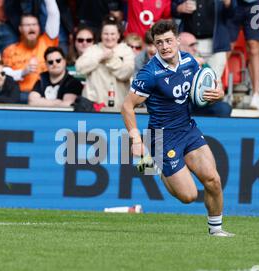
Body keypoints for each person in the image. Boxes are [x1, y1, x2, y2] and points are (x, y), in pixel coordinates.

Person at [121, 19, 234, 237]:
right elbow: (127, 106)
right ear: (154, 45)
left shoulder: (190, 61)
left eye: (168, 41)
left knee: (213, 180)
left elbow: (208, 83)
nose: (164, 46)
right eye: (159, 42)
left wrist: (218, 93)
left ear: (178, 40)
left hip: (188, 129)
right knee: (189, 196)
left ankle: (216, 230)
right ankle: (156, 164)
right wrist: (135, 140)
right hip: (163, 137)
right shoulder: (149, 74)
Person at [75, 15, 135, 111]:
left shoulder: (126, 50)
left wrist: (110, 60)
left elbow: (126, 73)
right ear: (101, 35)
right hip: (93, 106)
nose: (109, 37)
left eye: (112, 34)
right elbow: (79, 68)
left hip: (119, 107)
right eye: (106, 34)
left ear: (118, 35)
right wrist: (100, 57)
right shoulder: (93, 49)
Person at [2, 5, 60, 102]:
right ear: (20, 29)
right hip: (20, 95)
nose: (31, 27)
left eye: (34, 24)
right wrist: (23, 72)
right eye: (27, 25)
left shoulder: (48, 42)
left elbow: (54, 14)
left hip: (46, 95)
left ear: (39, 27)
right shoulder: (10, 50)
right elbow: (3, 74)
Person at [172, 0, 236, 82]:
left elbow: (233, 14)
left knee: (214, 82)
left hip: (217, 44)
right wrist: (179, 8)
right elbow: (172, 8)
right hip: (190, 44)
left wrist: (228, 3)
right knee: (188, 81)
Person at [227, 0, 259, 109]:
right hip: (234, 3)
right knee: (227, 45)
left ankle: (256, 94)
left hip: (256, 5)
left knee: (254, 47)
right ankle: (216, 88)